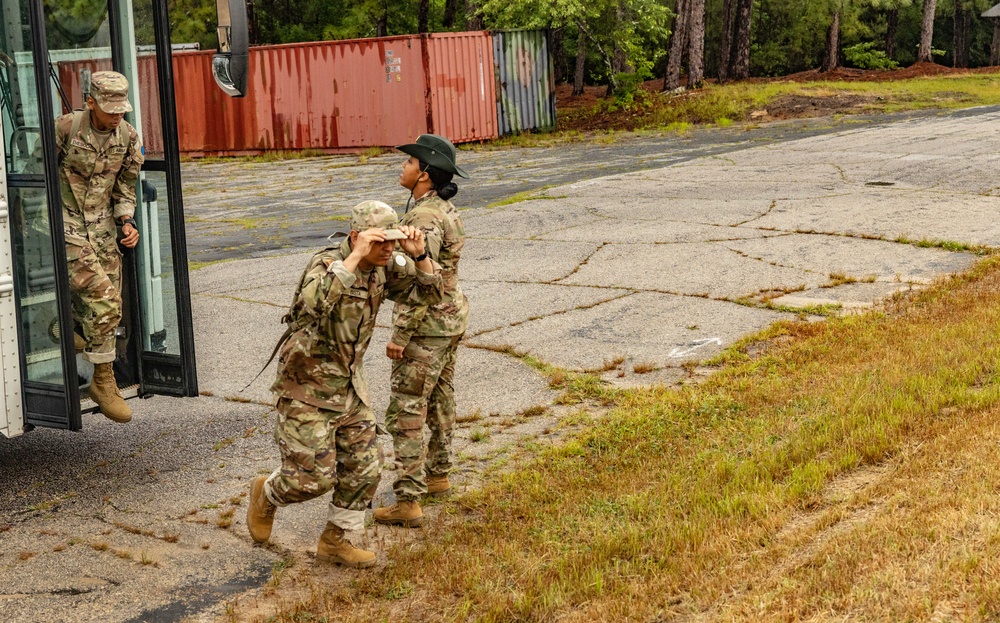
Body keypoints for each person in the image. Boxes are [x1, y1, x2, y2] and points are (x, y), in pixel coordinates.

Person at [246, 200, 442, 569]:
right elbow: (312, 306)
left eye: (393, 241)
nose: (388, 249)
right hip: (305, 387)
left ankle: (335, 541)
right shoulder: (326, 265)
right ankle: (267, 494)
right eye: (380, 242)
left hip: (349, 387)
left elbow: (431, 295)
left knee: (366, 468)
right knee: (310, 480)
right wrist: (354, 259)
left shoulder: (388, 265)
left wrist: (419, 256)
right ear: (356, 237)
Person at [374, 134, 470, 528]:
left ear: (425, 175)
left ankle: (408, 499)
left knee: (407, 411)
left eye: (409, 162)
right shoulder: (441, 209)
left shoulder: (423, 218)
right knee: (441, 398)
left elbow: (419, 279)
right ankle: (439, 474)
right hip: (450, 322)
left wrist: (400, 335)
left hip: (427, 327)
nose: (403, 167)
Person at [56, 70, 144, 423]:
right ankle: (103, 382)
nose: (116, 116)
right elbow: (35, 175)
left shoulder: (127, 135)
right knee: (104, 300)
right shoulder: (65, 128)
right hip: (63, 224)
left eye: (121, 109)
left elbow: (125, 187)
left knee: (113, 304)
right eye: (109, 109)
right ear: (90, 102)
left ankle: (69, 331)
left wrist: (127, 222)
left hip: (103, 228)